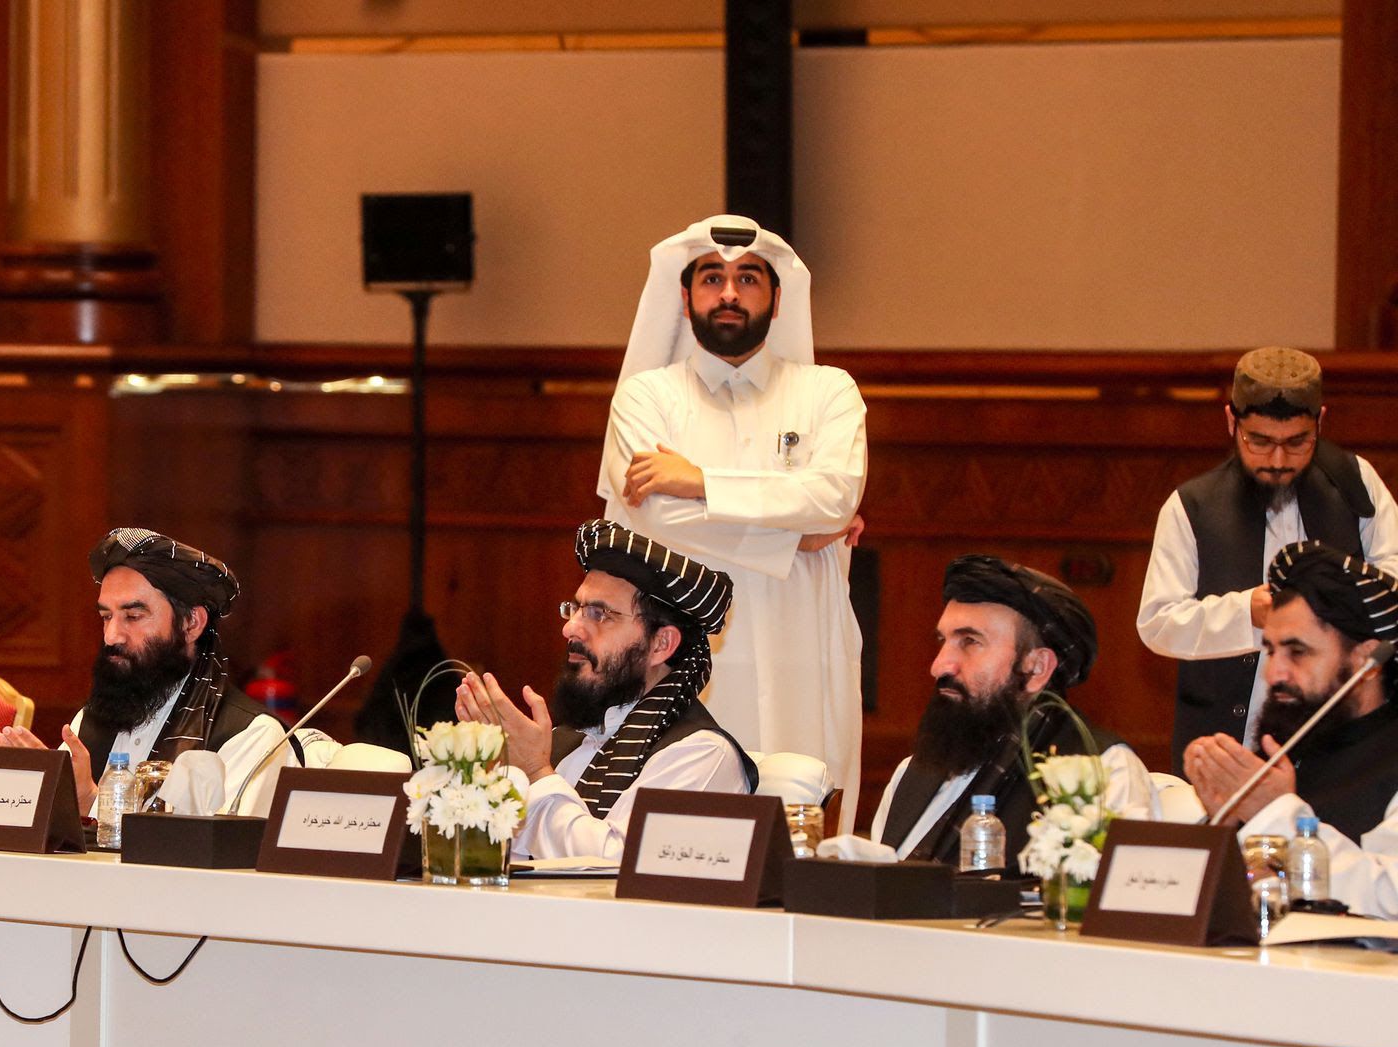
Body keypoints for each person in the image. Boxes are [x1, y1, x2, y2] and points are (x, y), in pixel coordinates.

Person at [598, 214, 866, 828]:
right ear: (686, 296)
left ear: (776, 302)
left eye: (748, 278)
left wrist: (701, 483)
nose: (728, 292)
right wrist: (794, 535)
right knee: (682, 844)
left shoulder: (830, 392)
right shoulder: (645, 397)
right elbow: (655, 519)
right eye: (711, 278)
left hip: (803, 645)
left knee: (800, 838)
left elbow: (834, 497)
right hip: (686, 649)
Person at [1138, 347, 1398, 772]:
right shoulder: (1190, 506)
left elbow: (1392, 584)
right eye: (1258, 441)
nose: (1278, 461)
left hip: (1341, 737)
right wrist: (1248, 613)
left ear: (1321, 422)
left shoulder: (1357, 481)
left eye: (1297, 442)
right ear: (1230, 421)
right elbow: (1156, 624)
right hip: (1229, 737)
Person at [454, 519, 756, 860]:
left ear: (661, 644)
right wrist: (489, 773)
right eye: (576, 608)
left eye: (600, 614)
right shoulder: (568, 743)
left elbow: (617, 868)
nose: (571, 627)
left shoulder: (701, 756)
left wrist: (535, 772)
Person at [0, 527, 315, 816]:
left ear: (191, 622)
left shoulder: (250, 736)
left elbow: (219, 861)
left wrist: (89, 801)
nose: (112, 636)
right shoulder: (93, 721)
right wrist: (20, 787)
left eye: (133, 616)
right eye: (106, 617)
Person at [870, 555, 1155, 870]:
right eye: (943, 640)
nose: (940, 666)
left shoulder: (1105, 771)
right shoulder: (911, 774)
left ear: (1036, 667)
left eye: (970, 642)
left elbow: (1123, 908)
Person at [1187, 541, 1398, 917]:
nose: (1273, 674)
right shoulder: (1287, 746)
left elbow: (1389, 898)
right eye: (1270, 651)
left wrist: (1279, 815)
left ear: (1366, 660)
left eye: (1297, 652)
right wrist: (1223, 823)